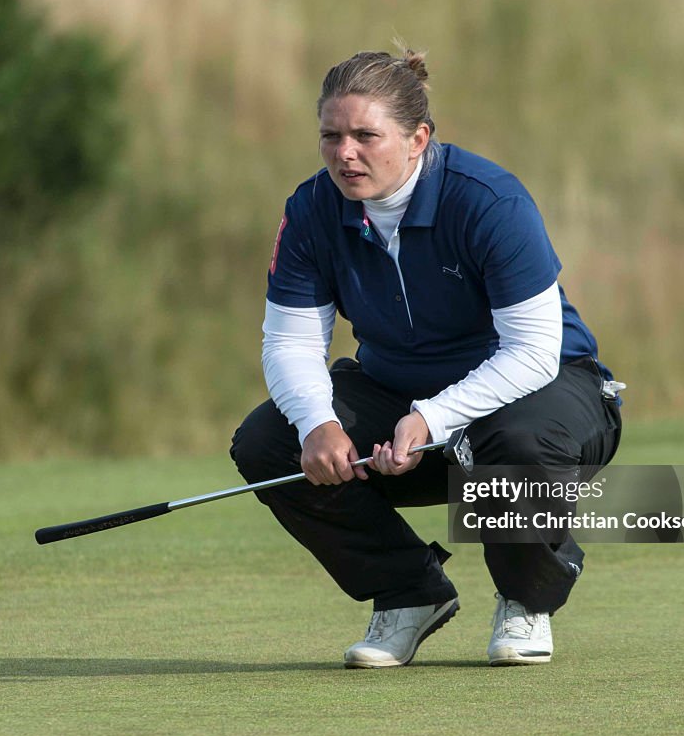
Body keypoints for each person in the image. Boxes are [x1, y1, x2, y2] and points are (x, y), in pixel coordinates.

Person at [230, 47, 622, 668]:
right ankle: (410, 593)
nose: (345, 153)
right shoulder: (312, 209)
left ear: (417, 139)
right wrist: (317, 423)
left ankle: (526, 598)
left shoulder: (488, 200)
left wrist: (433, 419)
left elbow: (534, 353)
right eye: (330, 136)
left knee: (516, 442)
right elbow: (290, 340)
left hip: (544, 397)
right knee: (268, 440)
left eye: (365, 135)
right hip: (400, 398)